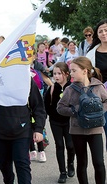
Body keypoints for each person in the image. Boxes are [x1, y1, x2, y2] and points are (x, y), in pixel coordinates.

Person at [0, 77, 46, 184]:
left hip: (22, 130)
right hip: (1, 129)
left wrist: (38, 129)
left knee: (22, 164)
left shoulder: (27, 80)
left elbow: (38, 107)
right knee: (3, 164)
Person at [57, 56, 107, 184]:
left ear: (85, 71)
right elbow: (60, 108)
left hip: (95, 129)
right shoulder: (70, 89)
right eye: (71, 70)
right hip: (77, 130)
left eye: (74, 70)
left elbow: (106, 101)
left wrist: (98, 111)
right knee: (82, 162)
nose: (71, 73)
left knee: (99, 162)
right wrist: (75, 111)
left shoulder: (98, 86)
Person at [44, 62, 75, 183]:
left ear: (66, 74)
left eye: (59, 73)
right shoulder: (51, 88)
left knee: (70, 145)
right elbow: (46, 104)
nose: (56, 76)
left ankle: (70, 163)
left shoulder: (72, 88)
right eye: (54, 74)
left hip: (69, 121)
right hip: (55, 121)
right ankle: (62, 172)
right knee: (59, 145)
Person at [86, 19, 107, 151]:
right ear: (97, 35)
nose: (104, 33)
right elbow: (87, 77)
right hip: (102, 99)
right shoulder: (91, 54)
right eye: (101, 31)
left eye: (106, 30)